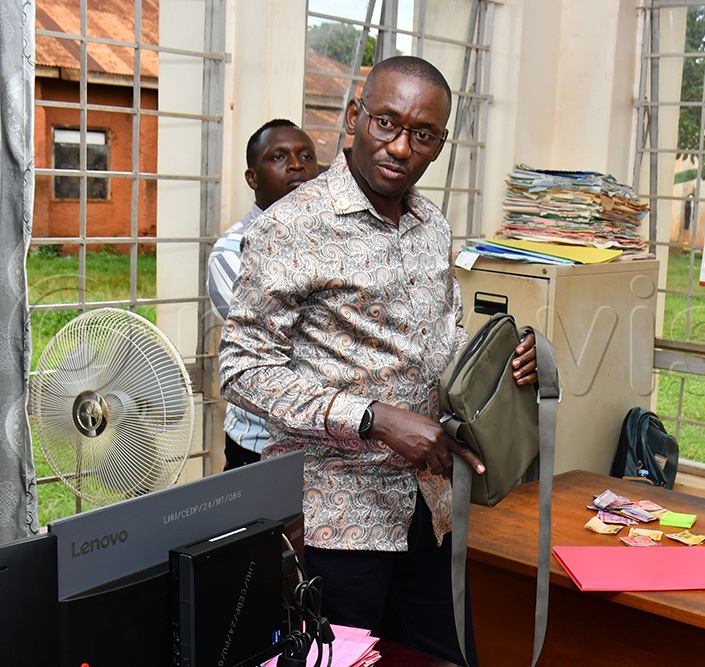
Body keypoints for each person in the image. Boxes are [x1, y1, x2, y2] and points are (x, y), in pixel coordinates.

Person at [218, 56, 537, 665]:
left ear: (439, 145)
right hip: (338, 520)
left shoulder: (432, 225)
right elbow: (241, 367)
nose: (399, 146)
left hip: (430, 506)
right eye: (385, 123)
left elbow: (445, 341)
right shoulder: (292, 226)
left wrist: (506, 370)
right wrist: (372, 418)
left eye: (422, 134)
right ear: (352, 119)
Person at [207, 119, 319, 470]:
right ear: (252, 178)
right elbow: (275, 346)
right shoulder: (232, 252)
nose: (297, 165)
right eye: (278, 157)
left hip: (333, 451)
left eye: (306, 156)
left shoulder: (341, 242)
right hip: (261, 446)